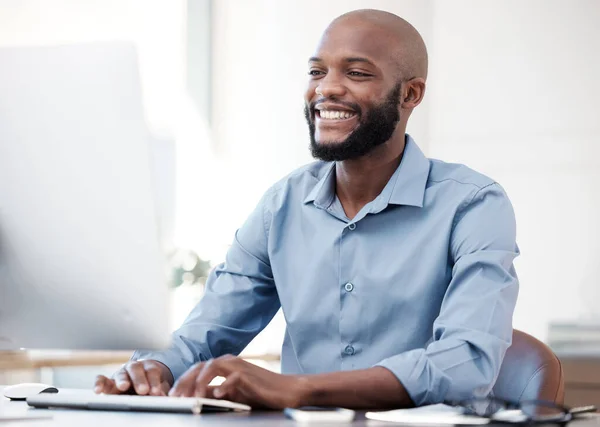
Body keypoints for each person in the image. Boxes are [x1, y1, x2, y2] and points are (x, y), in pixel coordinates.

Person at [95, 9, 519, 410]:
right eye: (317, 71)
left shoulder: (473, 204)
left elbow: (465, 365)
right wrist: (154, 368)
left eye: (356, 73)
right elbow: (206, 331)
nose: (326, 88)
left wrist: (298, 387)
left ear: (410, 94)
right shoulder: (281, 205)